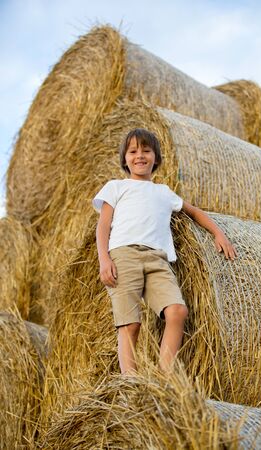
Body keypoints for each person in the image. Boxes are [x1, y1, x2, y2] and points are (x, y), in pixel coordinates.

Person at [92, 128, 237, 375]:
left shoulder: (164, 192)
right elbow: (103, 226)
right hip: (123, 255)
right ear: (125, 159)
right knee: (131, 324)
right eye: (133, 151)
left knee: (177, 311)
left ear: (156, 158)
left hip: (157, 259)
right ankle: (132, 383)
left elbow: (194, 212)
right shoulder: (116, 187)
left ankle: (164, 380)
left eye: (146, 151)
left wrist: (218, 232)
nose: (140, 156)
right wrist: (104, 259)